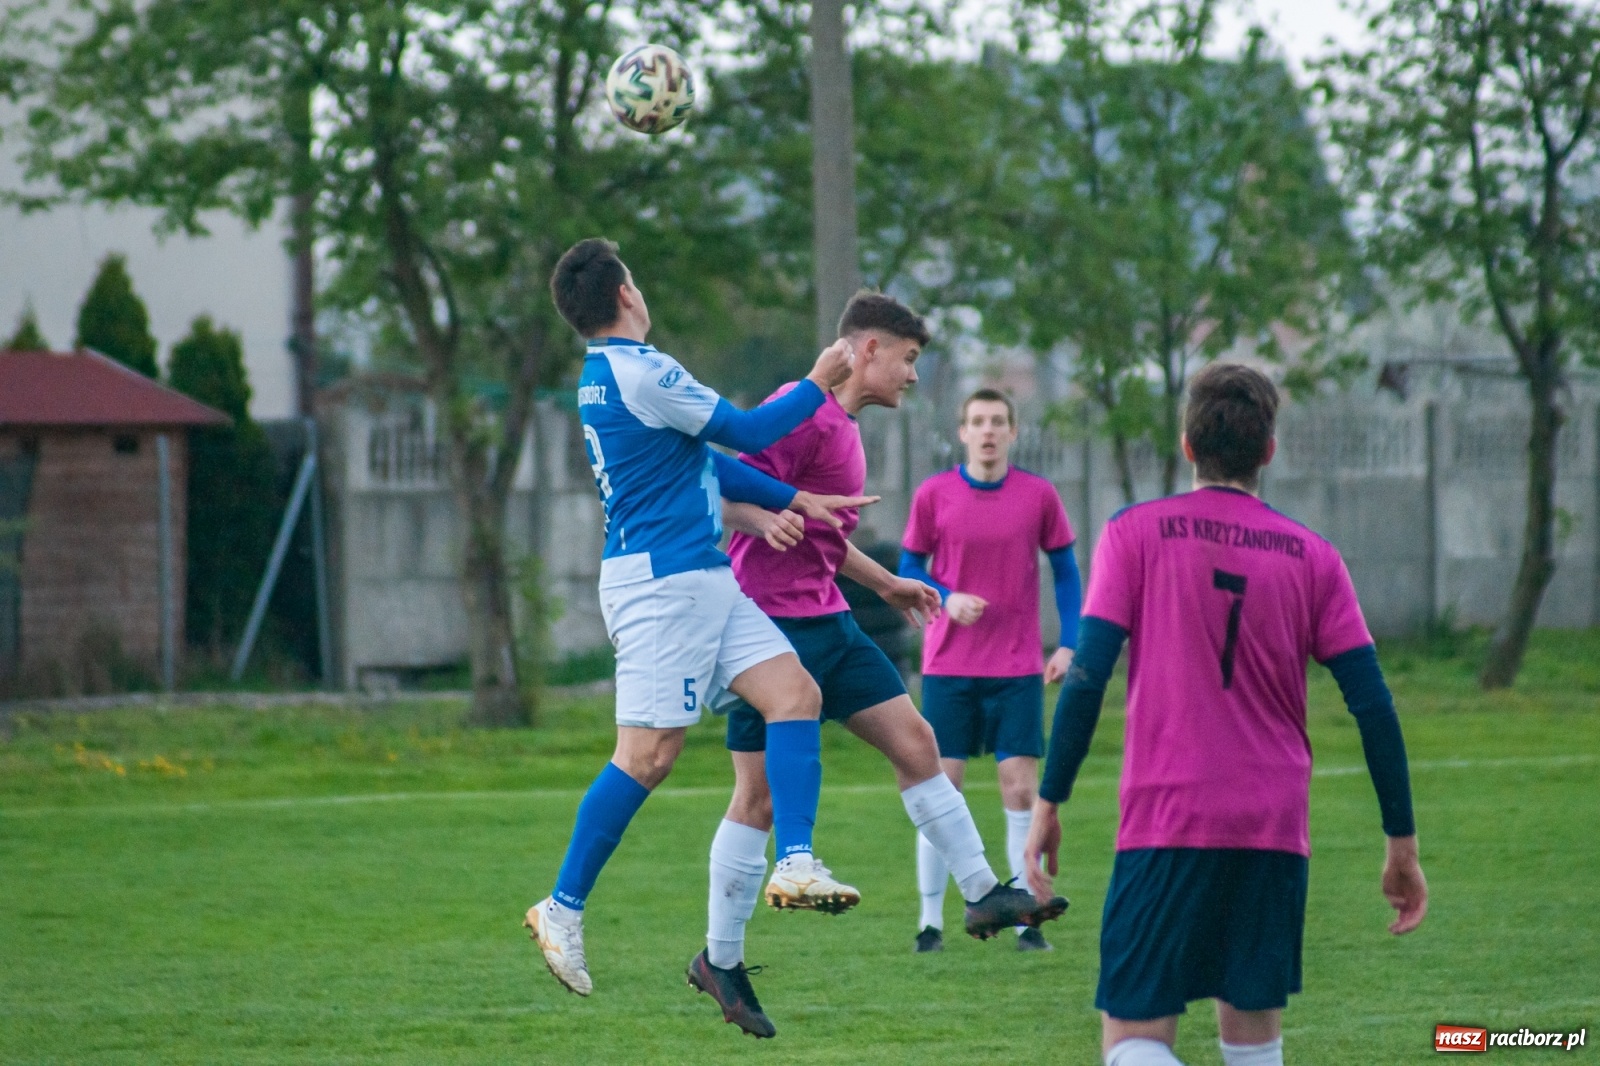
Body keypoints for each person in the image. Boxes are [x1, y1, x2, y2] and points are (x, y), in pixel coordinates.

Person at [685, 292, 1069, 1039]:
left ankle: (984, 891)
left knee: (916, 743)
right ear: (866, 351)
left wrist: (885, 582)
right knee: (754, 800)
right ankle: (720, 962)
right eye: (909, 359)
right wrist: (764, 516)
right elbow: (724, 480)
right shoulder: (798, 412)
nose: (914, 376)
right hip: (765, 625)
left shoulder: (845, 425)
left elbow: (819, 531)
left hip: (829, 618)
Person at [1023, 363, 1429, 1066]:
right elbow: (1373, 705)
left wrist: (1049, 800)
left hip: (1166, 819)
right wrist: (1402, 842)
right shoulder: (1315, 557)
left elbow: (1086, 678)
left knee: (1133, 1042)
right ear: (1269, 450)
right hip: (1271, 830)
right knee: (1254, 1044)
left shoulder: (1133, 534)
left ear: (1186, 445)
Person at [526, 238, 873, 998]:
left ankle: (797, 861)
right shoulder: (642, 369)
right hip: (661, 587)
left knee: (797, 696)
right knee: (647, 757)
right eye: (638, 280)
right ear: (624, 294)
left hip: (700, 577)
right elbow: (745, 434)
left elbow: (706, 464)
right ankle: (561, 907)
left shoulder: (604, 375)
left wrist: (793, 500)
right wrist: (819, 382)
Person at [897, 388, 1083, 953]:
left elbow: (1068, 572)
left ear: (1013, 432)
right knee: (941, 790)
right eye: (977, 421)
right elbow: (909, 566)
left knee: (1020, 789)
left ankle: (1027, 920)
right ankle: (930, 923)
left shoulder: (1039, 495)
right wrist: (946, 598)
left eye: (998, 422)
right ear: (962, 432)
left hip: (1017, 667)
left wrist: (1070, 643)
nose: (987, 431)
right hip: (949, 666)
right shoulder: (934, 495)